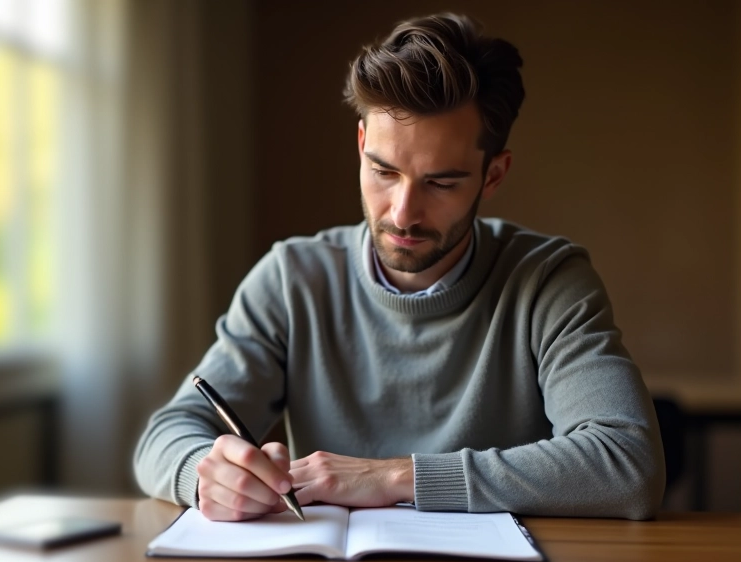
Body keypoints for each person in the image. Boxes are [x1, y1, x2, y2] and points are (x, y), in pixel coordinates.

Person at [133, 13, 664, 522]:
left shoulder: (549, 282)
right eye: (383, 170)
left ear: (493, 175)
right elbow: (168, 434)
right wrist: (207, 476)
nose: (403, 212)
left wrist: (394, 477)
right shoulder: (292, 278)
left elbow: (627, 464)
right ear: (361, 144)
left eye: (441, 182)